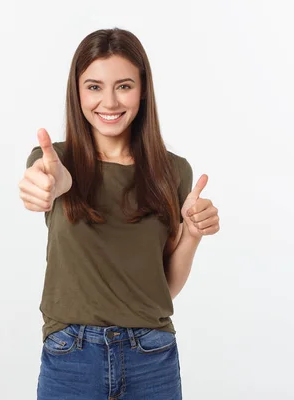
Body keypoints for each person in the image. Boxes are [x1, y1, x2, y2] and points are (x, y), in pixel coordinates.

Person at [19, 27, 220, 400]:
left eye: (124, 86)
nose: (109, 102)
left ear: (143, 91)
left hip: (152, 355)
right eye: (94, 86)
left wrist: (192, 233)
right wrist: (44, 185)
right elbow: (46, 181)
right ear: (77, 92)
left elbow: (165, 287)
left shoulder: (173, 172)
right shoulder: (55, 162)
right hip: (72, 355)